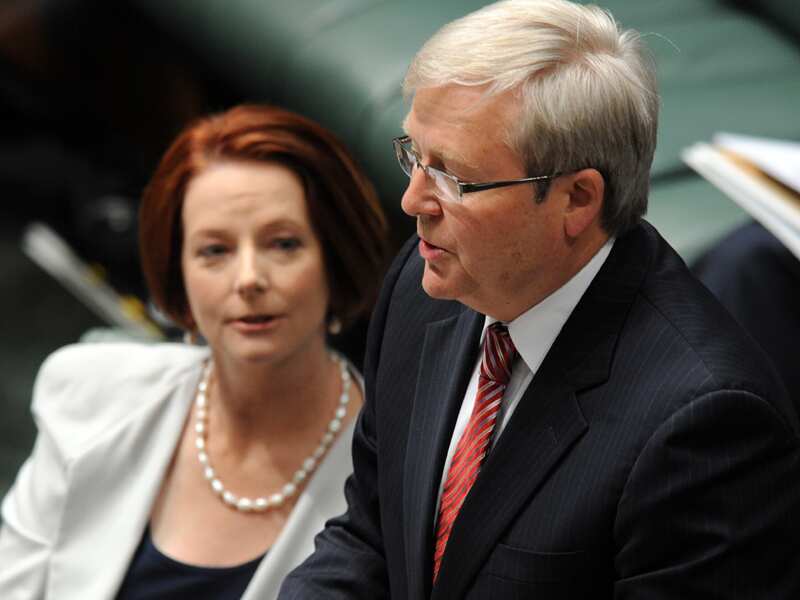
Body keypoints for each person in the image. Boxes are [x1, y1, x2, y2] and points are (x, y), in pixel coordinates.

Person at [279, 1, 800, 598]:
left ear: (577, 200)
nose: (412, 201)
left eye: (453, 177)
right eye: (415, 157)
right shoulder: (426, 287)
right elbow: (371, 536)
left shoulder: (705, 427)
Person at [0, 104, 388, 598]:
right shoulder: (88, 392)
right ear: (177, 272)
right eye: (214, 251)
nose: (249, 279)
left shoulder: (392, 483)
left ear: (336, 257)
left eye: (283, 244)